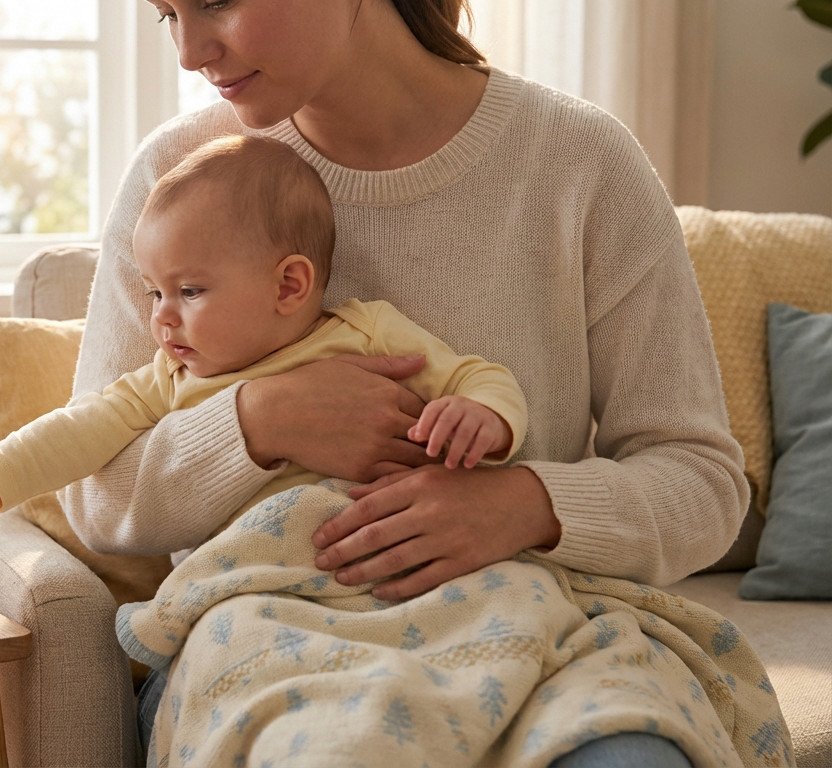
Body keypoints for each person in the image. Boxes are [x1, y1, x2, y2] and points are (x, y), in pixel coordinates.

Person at [58, 0, 752, 766]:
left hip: (536, 633)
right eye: (166, 14)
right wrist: (259, 421)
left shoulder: (580, 162)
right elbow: (95, 494)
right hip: (266, 647)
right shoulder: (183, 175)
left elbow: (701, 482)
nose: (190, 51)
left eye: (218, 0)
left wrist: (523, 504)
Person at [0, 134, 527, 542]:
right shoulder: (170, 378)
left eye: (189, 292)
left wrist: (484, 416)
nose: (162, 318)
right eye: (153, 292)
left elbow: (478, 376)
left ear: (288, 286)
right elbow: (79, 432)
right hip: (254, 588)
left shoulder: (367, 332)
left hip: (397, 564)